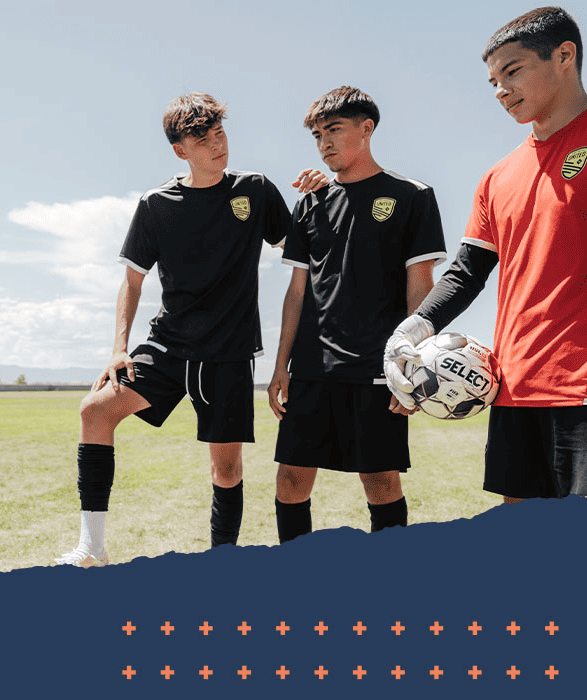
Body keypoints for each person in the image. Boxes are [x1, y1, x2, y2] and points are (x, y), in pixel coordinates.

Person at [56, 92, 328, 567]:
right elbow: (132, 281)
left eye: (220, 133)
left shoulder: (255, 190)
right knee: (95, 411)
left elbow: (302, 247)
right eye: (203, 139)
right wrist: (119, 348)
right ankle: (91, 548)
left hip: (229, 350)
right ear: (180, 150)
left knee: (225, 469)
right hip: (169, 345)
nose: (217, 145)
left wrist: (319, 197)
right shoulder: (157, 204)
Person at [385, 7, 587, 502]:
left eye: (513, 72)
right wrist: (409, 333)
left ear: (565, 56)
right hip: (514, 386)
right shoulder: (498, 178)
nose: (500, 90)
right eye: (493, 80)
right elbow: (467, 273)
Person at [269, 86, 447, 543]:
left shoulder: (412, 196)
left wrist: (411, 366)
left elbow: (421, 289)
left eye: (334, 130)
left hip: (377, 366)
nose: (324, 142)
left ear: (366, 129)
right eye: (316, 135)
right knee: (290, 480)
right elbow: (296, 291)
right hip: (312, 366)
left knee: (381, 482)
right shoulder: (309, 202)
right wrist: (280, 365)